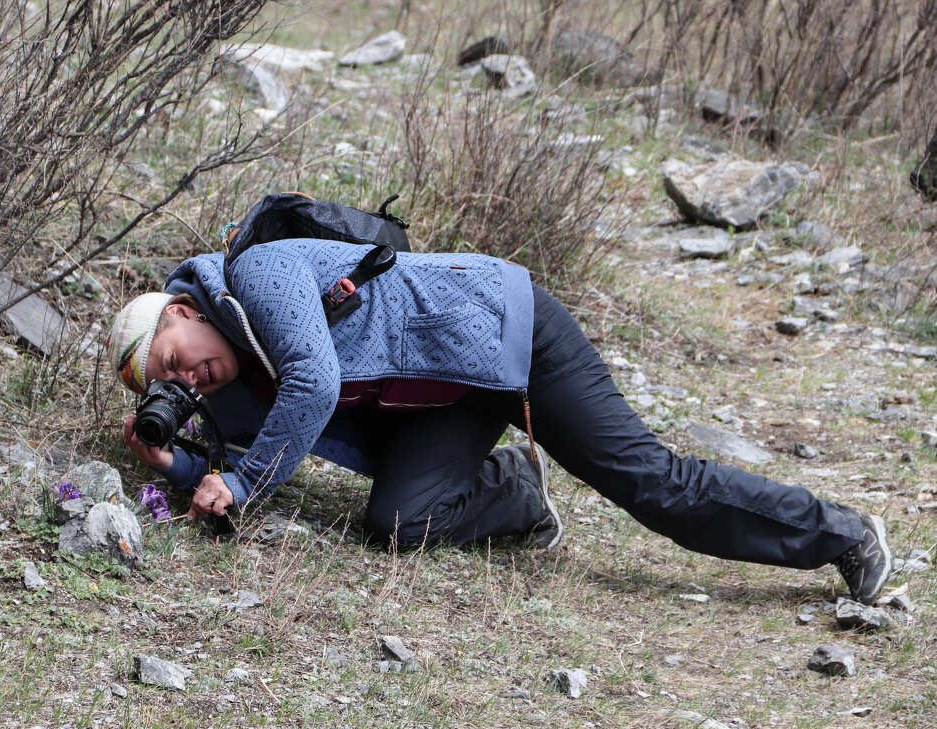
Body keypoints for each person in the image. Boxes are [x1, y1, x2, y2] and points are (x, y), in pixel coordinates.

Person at [107, 238, 894, 605]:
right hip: (446, 398)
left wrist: (242, 482)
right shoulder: (237, 379)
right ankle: (516, 495)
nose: (186, 379)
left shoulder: (257, 271)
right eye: (170, 384)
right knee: (395, 518)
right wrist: (172, 466)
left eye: (174, 357)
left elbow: (312, 384)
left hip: (505, 332)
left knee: (650, 483)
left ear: (183, 309)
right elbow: (227, 465)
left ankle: (842, 534)